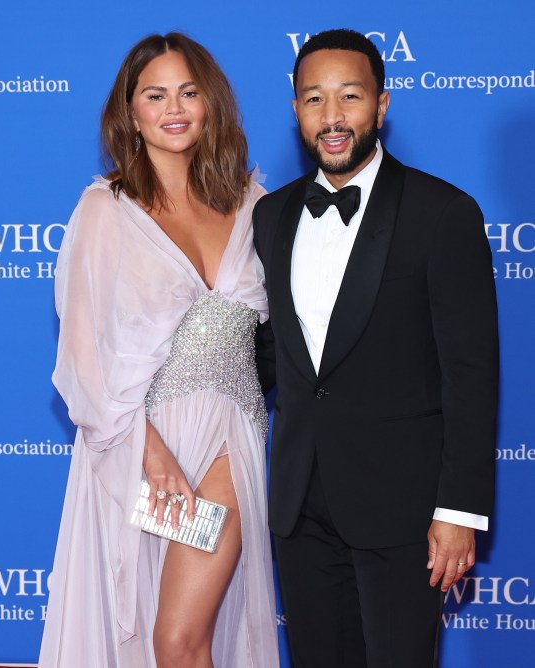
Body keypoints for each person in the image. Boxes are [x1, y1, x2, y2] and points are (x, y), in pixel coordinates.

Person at [253, 29, 498, 667]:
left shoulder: (443, 213)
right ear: (296, 110)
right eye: (313, 100)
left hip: (405, 509)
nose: (332, 118)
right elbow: (278, 353)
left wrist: (459, 510)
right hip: (300, 503)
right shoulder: (272, 215)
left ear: (381, 106)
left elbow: (471, 372)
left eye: (350, 97)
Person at [39, 32, 279, 668]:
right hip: (137, 446)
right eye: (155, 95)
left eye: (189, 92)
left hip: (232, 438)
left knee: (179, 637)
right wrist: (153, 453)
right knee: (144, 632)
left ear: (211, 103)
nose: (174, 109)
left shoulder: (255, 204)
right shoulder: (104, 209)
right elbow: (82, 357)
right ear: (131, 111)